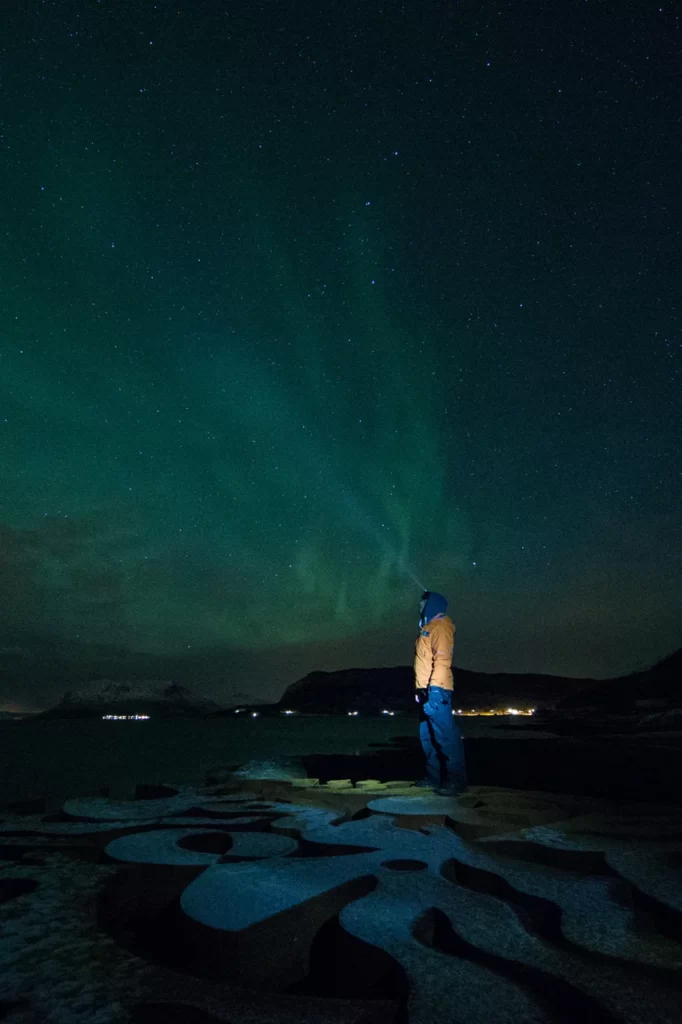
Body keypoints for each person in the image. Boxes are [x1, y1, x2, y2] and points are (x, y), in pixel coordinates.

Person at [414, 590, 467, 795]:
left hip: (438, 689)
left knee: (445, 735)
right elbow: (424, 663)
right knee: (427, 736)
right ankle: (434, 778)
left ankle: (456, 781)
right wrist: (420, 689)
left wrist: (435, 690)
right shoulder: (427, 628)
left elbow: (442, 660)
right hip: (427, 689)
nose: (419, 606)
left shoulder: (441, 626)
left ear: (432, 605)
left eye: (422, 603)